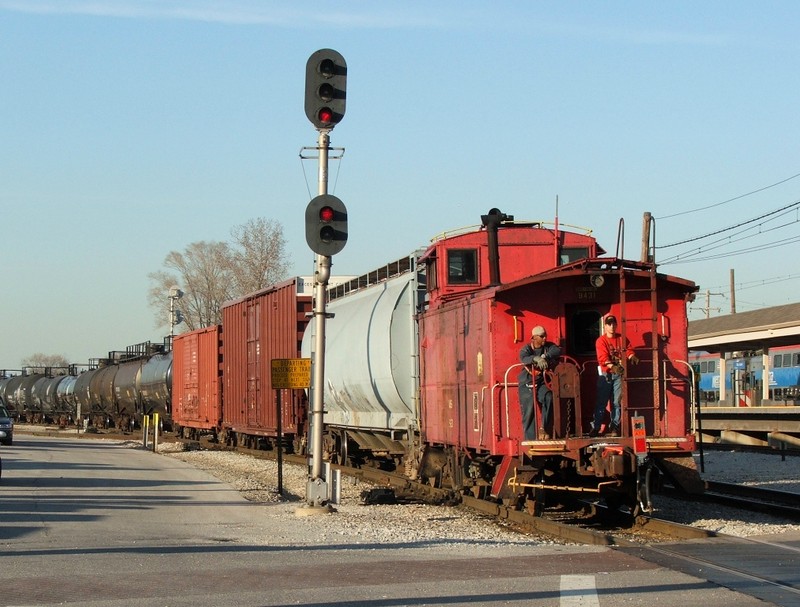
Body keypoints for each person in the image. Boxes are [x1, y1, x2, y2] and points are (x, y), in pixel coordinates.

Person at [591, 314, 639, 437]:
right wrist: (613, 366)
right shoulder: (601, 341)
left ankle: (614, 427)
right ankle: (596, 427)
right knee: (602, 402)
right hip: (606, 375)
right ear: (605, 326)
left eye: (613, 324)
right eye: (609, 324)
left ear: (616, 325)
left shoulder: (622, 338)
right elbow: (603, 357)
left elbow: (627, 349)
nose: (612, 326)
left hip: (618, 375)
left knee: (617, 402)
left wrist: (631, 356)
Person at [518, 325, 561, 440]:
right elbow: (523, 357)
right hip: (527, 383)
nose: (545, 338)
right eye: (542, 336)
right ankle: (530, 439)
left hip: (542, 382)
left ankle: (544, 429)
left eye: (545, 335)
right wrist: (535, 359)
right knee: (529, 411)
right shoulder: (527, 348)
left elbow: (557, 350)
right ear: (534, 337)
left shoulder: (548, 347)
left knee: (549, 397)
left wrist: (545, 356)